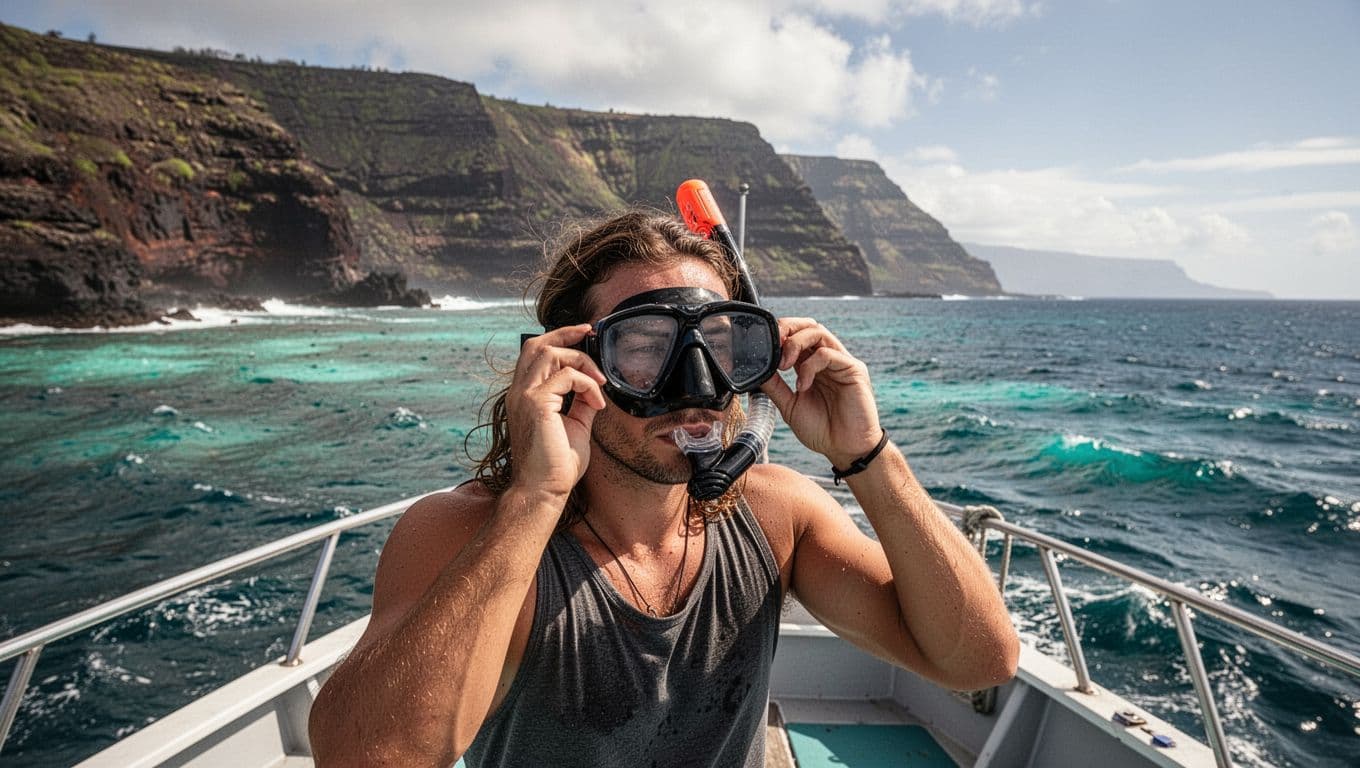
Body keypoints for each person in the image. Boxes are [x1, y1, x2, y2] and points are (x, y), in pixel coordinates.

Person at [308, 211, 1019, 767]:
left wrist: (865, 455)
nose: (697, 389)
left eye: (719, 344)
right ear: (570, 363)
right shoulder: (474, 535)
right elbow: (369, 759)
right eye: (645, 348)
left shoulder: (774, 514)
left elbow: (980, 660)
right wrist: (536, 497)